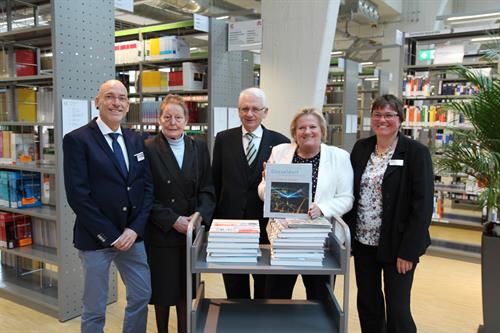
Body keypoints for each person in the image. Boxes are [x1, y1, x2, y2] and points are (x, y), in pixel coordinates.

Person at [63, 79, 153, 333]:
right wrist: (111, 236)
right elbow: (78, 196)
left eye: (122, 98)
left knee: (140, 296)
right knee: (94, 308)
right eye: (110, 96)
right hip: (96, 239)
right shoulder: (77, 140)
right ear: (98, 102)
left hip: (132, 237)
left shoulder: (137, 140)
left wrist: (134, 230)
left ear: (127, 105)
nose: (116, 102)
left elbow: (147, 188)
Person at [345, 94, 433, 333]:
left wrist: (409, 251)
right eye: (377, 114)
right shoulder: (361, 148)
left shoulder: (416, 152)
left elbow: (423, 206)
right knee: (368, 303)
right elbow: (349, 191)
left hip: (398, 246)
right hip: (364, 243)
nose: (382, 119)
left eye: (388, 115)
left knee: (398, 309)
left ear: (400, 119)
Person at [257, 107, 354, 299]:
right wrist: (270, 185)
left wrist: (322, 208)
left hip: (321, 242)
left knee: (319, 298)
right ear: (294, 133)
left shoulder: (339, 156)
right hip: (284, 239)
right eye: (301, 128)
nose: (307, 131)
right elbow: (262, 190)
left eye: (312, 127)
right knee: (277, 296)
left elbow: (347, 198)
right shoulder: (279, 151)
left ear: (322, 131)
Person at [144, 94, 215, 333]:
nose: (172, 122)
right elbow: (145, 195)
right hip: (162, 232)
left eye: (178, 117)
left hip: (191, 233)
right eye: (167, 117)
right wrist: (173, 220)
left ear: (186, 120)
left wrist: (197, 218)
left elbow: (208, 188)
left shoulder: (199, 147)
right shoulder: (148, 148)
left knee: (187, 292)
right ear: (159, 119)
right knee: (163, 293)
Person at [212, 87, 289, 299]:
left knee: (265, 287)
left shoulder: (281, 143)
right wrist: (212, 224)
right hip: (231, 226)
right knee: (235, 288)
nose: (250, 114)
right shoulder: (223, 139)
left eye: (256, 109)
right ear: (238, 111)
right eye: (245, 108)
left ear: (266, 112)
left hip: (266, 227)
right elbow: (215, 182)